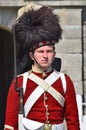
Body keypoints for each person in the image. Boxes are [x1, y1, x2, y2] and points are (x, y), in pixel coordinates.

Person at [4, 2, 80, 130]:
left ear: (54, 53)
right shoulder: (20, 82)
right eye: (40, 52)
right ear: (32, 55)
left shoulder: (65, 81)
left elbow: (73, 123)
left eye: (49, 51)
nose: (45, 56)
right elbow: (10, 125)